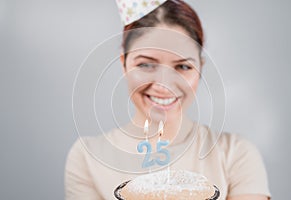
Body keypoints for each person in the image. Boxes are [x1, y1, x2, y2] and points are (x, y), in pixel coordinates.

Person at [65, 0, 271, 199]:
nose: (164, 84)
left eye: (183, 66)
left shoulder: (236, 154)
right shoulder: (87, 157)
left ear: (200, 67)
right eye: (146, 64)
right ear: (123, 63)